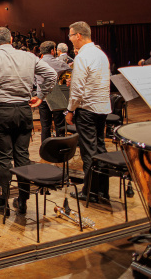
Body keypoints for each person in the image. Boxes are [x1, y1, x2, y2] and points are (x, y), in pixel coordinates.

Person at [0, 27, 57, 216]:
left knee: (2, 159)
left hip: (1, 111)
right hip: (24, 110)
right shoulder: (29, 56)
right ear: (11, 39)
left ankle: (3, 204)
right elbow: (52, 75)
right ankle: (23, 201)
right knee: (22, 156)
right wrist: (41, 95)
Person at [64, 22, 111, 202]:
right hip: (102, 107)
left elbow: (77, 89)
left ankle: (89, 191)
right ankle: (102, 191)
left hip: (87, 108)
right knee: (100, 147)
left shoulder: (82, 56)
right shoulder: (101, 54)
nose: (69, 39)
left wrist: (70, 110)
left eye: (70, 35)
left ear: (78, 36)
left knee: (89, 151)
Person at [38, 41, 70, 140]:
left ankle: (45, 149)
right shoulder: (58, 63)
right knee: (59, 125)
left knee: (45, 126)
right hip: (55, 96)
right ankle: (59, 148)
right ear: (53, 51)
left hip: (41, 97)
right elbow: (72, 71)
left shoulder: (37, 62)